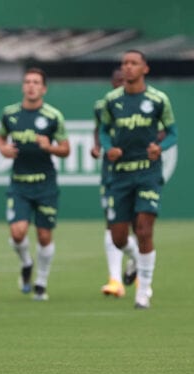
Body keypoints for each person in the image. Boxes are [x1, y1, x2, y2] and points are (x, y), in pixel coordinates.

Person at [98, 49, 177, 309]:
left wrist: (160, 148)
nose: (128, 67)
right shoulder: (111, 101)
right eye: (125, 63)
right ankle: (134, 258)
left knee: (144, 229)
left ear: (145, 68)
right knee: (119, 237)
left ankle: (144, 290)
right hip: (120, 174)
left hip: (147, 173)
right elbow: (104, 132)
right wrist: (109, 147)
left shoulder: (158, 99)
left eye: (134, 63)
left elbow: (172, 133)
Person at [0, 67, 70, 301]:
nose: (31, 86)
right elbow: (0, 137)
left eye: (36, 82)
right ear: (23, 86)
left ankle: (41, 282)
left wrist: (50, 147)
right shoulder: (10, 114)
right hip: (19, 183)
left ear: (44, 88)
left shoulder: (53, 116)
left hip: (45, 184)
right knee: (17, 233)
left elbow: (66, 149)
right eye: (27, 81)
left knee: (45, 236)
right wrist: (3, 148)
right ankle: (27, 263)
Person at [91, 68, 139, 298]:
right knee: (113, 225)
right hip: (112, 174)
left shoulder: (144, 103)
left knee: (139, 224)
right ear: (112, 83)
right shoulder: (103, 106)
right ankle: (115, 280)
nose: (121, 84)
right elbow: (98, 130)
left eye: (124, 81)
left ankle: (138, 260)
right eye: (117, 81)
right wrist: (98, 147)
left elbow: (160, 132)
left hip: (138, 172)